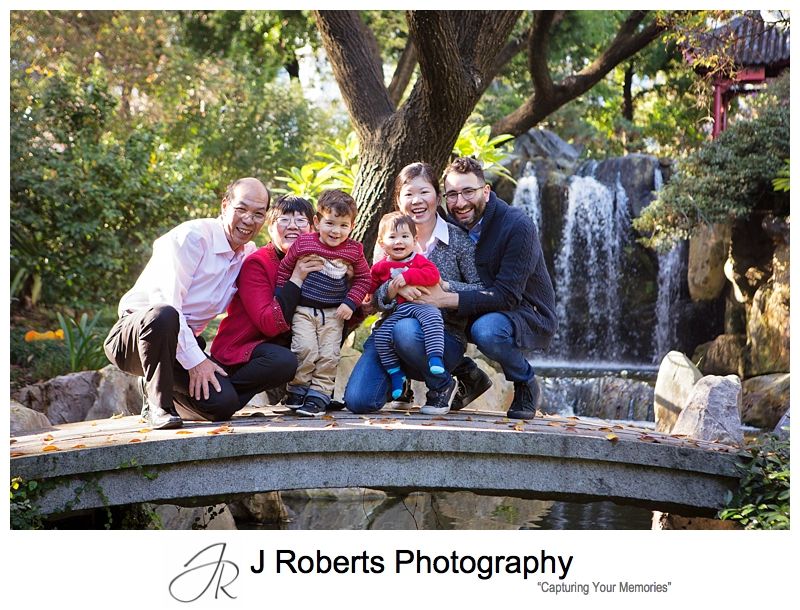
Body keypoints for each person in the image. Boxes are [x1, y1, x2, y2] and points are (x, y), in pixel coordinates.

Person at [104, 177, 277, 429]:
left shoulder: (248, 255)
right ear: (225, 205)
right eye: (241, 209)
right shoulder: (191, 238)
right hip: (137, 336)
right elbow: (164, 302)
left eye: (258, 213)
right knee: (164, 315)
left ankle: (168, 392)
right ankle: (158, 405)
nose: (249, 220)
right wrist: (196, 362)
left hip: (179, 344)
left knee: (223, 404)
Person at [417, 156, 558, 419]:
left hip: (524, 310)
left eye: (468, 191)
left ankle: (524, 380)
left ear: (486, 190)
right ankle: (468, 375)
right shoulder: (450, 225)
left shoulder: (517, 225)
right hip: (473, 305)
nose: (460, 202)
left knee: (487, 331)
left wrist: (444, 298)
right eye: (452, 194)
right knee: (418, 317)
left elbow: (506, 295)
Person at [344, 161, 485, 415]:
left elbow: (481, 288)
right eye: (408, 194)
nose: (417, 200)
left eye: (424, 192)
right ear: (398, 200)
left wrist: (442, 289)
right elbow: (373, 298)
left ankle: (442, 385)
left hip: (444, 336)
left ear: (437, 197)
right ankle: (404, 385)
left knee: (407, 329)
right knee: (359, 401)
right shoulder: (387, 243)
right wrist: (391, 289)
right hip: (389, 336)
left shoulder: (458, 240)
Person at [210, 194, 322, 408]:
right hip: (241, 352)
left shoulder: (315, 261)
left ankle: (311, 396)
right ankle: (219, 397)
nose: (293, 227)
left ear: (313, 229)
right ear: (270, 228)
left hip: (274, 349)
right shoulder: (258, 263)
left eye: (301, 221)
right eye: (284, 220)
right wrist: (296, 278)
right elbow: (269, 324)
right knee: (283, 361)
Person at [275, 189, 371, 417]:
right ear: (317, 222)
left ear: (352, 225)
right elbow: (285, 269)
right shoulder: (304, 243)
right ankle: (298, 389)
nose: (336, 231)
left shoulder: (354, 250)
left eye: (343, 225)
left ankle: (319, 395)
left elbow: (364, 278)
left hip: (334, 313)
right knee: (304, 348)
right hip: (304, 310)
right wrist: (280, 298)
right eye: (330, 223)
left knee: (329, 355)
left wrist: (351, 302)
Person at [370, 211, 449, 400]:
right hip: (397, 311)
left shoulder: (418, 260)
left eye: (405, 237)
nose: (399, 242)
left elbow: (433, 275)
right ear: (382, 243)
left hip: (420, 305)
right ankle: (396, 374)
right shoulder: (380, 267)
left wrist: (407, 277)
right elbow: (371, 287)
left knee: (433, 318)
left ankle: (434, 356)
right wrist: (367, 293)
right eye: (392, 237)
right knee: (381, 337)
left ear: (414, 240)